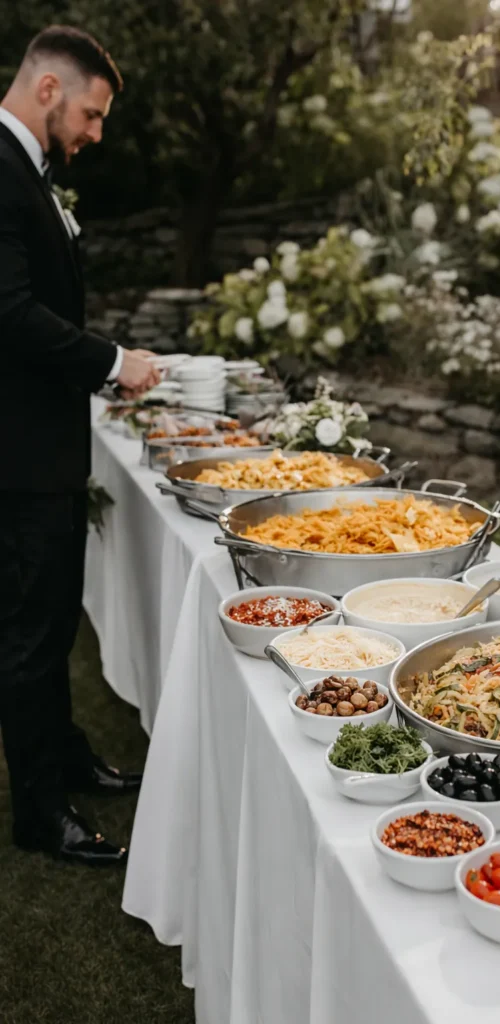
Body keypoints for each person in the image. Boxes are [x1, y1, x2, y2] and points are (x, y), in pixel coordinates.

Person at [0, 26, 161, 865]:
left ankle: (66, 755)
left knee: (56, 620)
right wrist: (111, 362)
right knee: (29, 636)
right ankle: (38, 811)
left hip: (48, 452)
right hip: (18, 458)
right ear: (51, 89)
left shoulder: (34, 173)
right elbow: (10, 314)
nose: (97, 134)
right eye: (93, 115)